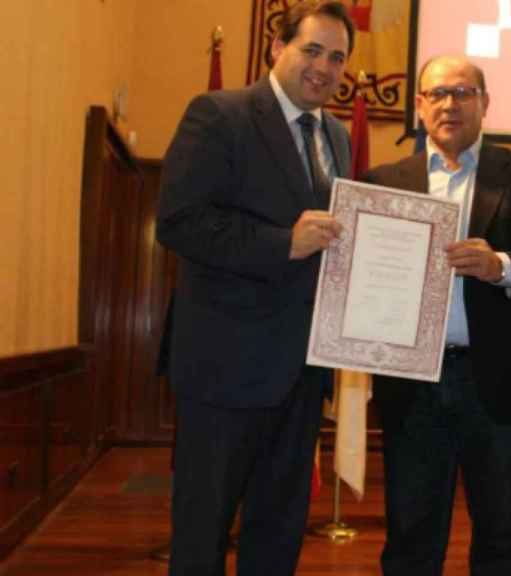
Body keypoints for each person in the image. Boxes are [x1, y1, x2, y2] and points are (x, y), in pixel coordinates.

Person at [364, 55, 511, 576]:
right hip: (412, 384)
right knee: (410, 536)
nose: (449, 104)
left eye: (463, 92)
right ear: (419, 106)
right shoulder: (384, 179)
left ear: (485, 103)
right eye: (436, 94)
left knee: (500, 535)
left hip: (498, 383)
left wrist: (500, 265)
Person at [156, 2, 354, 574]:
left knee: (279, 529)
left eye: (336, 57)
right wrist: (279, 243)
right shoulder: (220, 115)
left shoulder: (337, 137)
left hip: (301, 373)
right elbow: (179, 220)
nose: (324, 66)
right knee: (203, 530)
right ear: (277, 47)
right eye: (311, 49)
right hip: (224, 367)